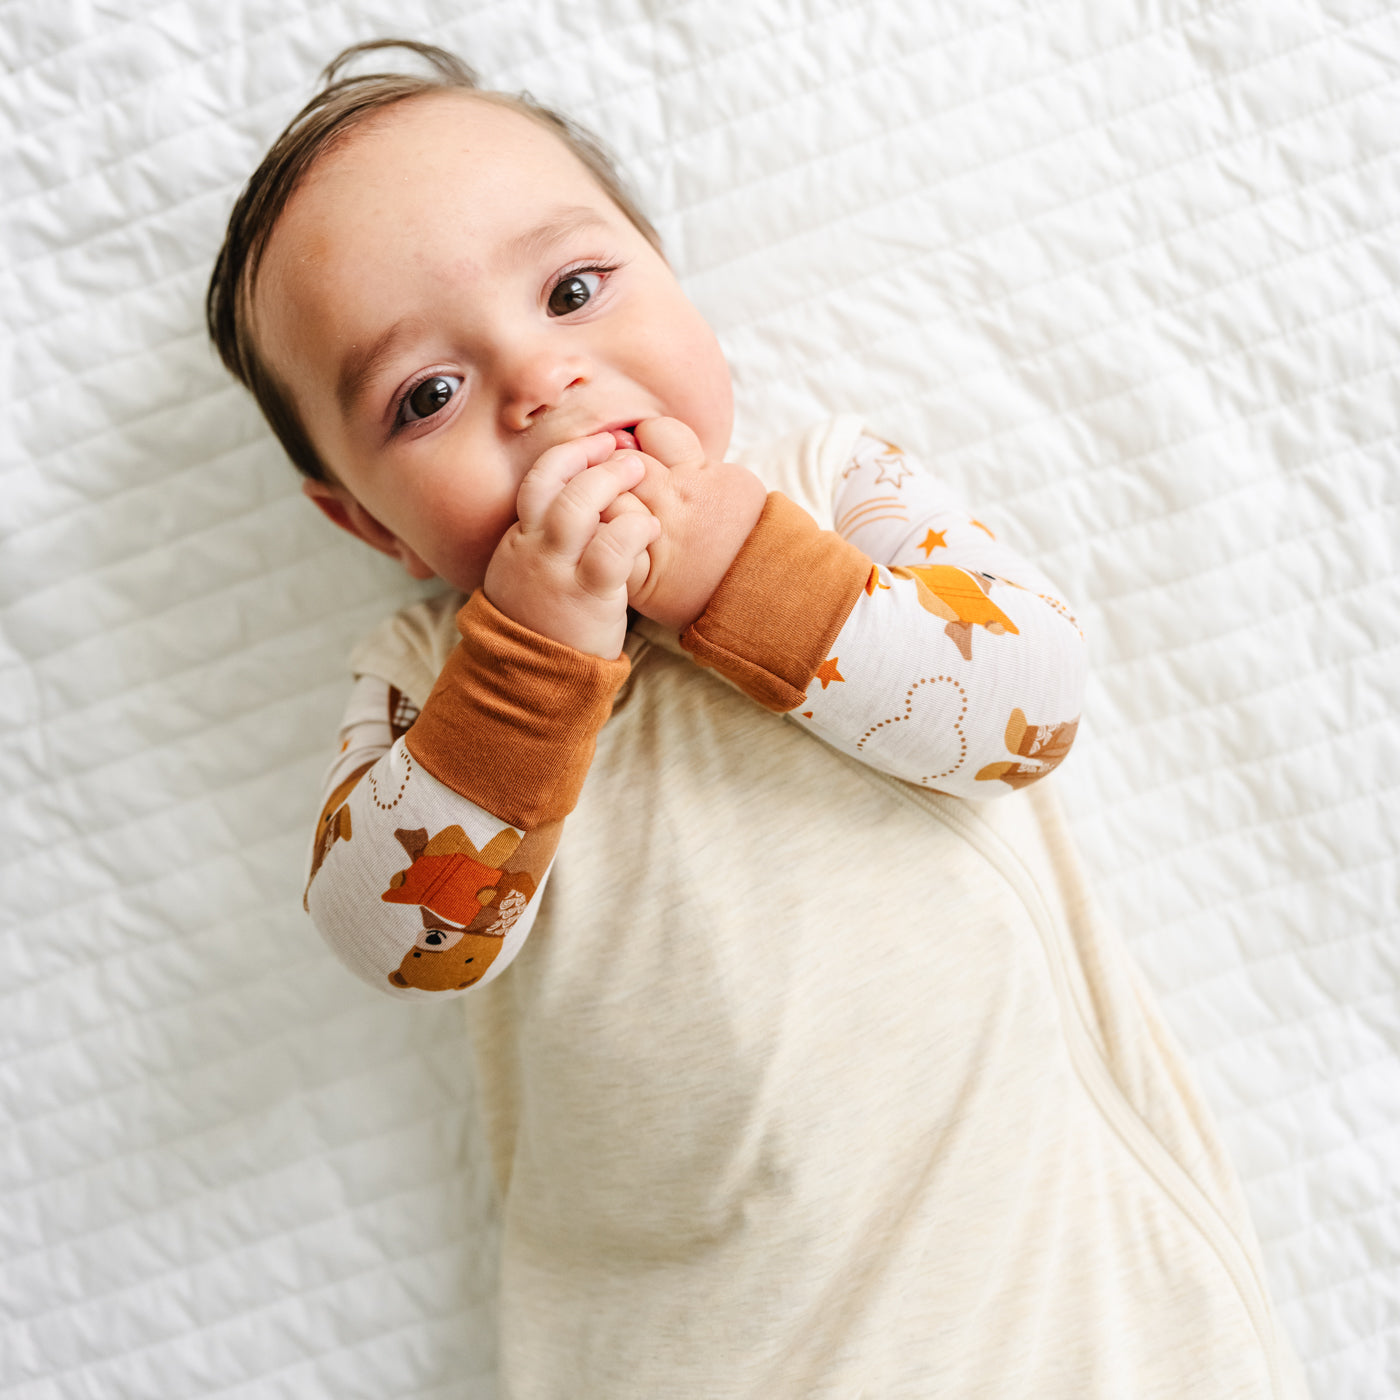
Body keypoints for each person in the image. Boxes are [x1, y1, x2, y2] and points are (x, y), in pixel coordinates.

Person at [206, 38, 1310, 1400]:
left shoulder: (831, 490)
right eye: (427, 396)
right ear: (363, 519)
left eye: (572, 290)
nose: (540, 386)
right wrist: (528, 662)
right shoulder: (427, 680)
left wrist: (737, 563)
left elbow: (1034, 708)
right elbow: (397, 941)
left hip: (1046, 1290)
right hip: (691, 1346)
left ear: (671, 277)